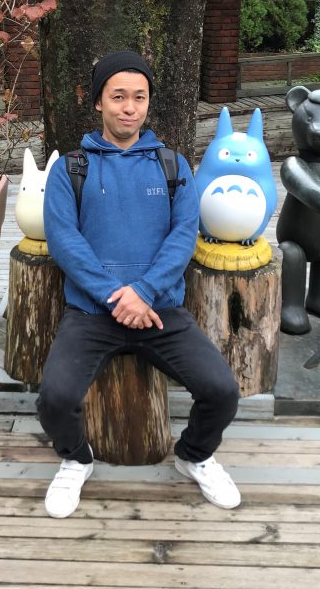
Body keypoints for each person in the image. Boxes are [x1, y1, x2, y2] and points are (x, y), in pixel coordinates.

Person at [40, 49, 241, 518]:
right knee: (55, 399)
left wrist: (145, 292)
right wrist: (116, 297)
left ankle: (194, 455)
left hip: (160, 310)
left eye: (139, 97)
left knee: (221, 391)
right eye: (118, 97)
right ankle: (76, 459)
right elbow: (65, 242)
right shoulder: (71, 168)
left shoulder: (172, 166)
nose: (129, 108)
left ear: (148, 102)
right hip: (92, 312)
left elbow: (183, 236)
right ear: (98, 102)